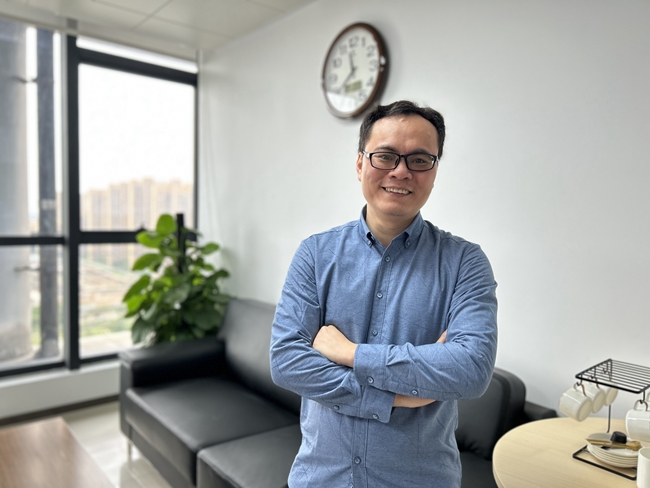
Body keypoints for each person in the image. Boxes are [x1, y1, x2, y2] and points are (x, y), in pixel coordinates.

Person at [270, 100, 498, 487]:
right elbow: (287, 361)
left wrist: (351, 353)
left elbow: (471, 369)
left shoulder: (465, 262)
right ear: (360, 164)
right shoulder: (316, 254)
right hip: (321, 478)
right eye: (385, 156)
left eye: (419, 160)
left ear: (434, 171)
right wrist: (396, 397)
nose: (401, 171)